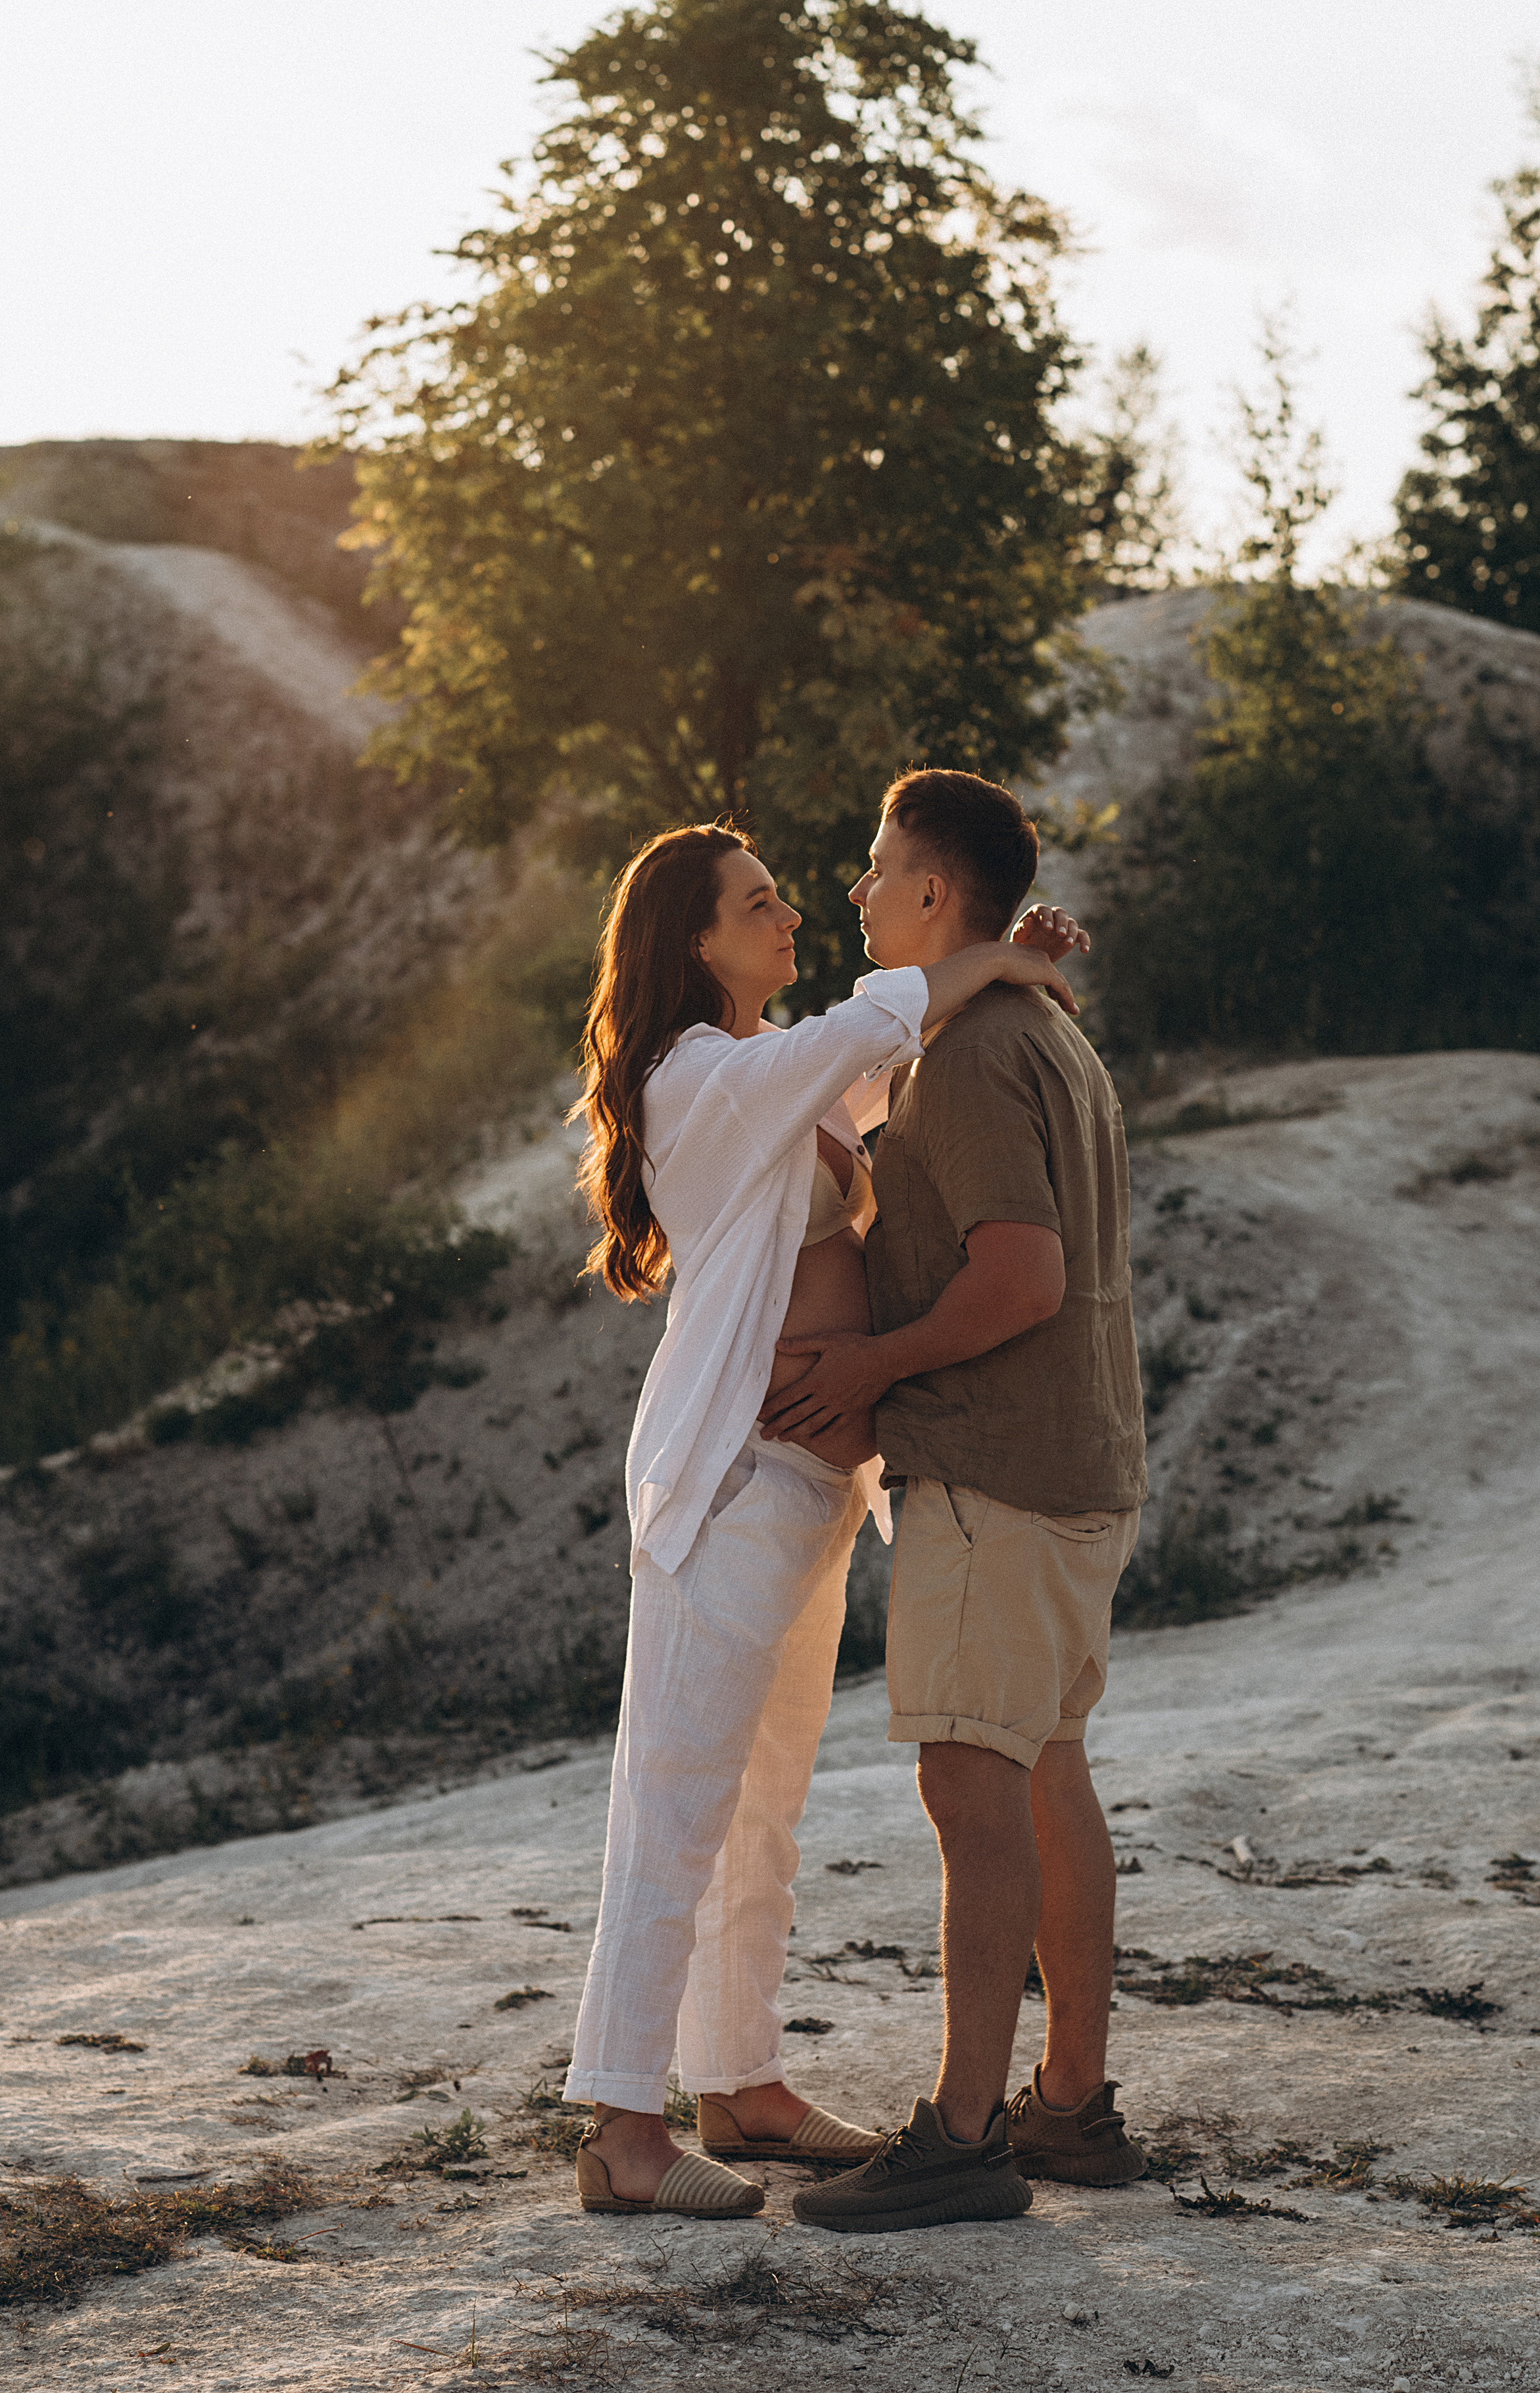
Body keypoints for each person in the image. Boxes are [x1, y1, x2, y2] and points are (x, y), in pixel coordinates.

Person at [562, 819, 1082, 2219]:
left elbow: (882, 1069)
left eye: (788, 895)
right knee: (670, 1806)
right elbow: (882, 1018)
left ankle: (739, 2083)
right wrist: (981, 961)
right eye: (758, 902)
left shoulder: (774, 1071)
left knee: (760, 1811)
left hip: (809, 1492)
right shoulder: (698, 1074)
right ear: (690, 939)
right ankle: (621, 2128)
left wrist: (1000, 964)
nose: (790, 912)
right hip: (730, 1478)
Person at [760, 768, 1148, 2234]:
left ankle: (963, 2135)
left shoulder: (977, 1050)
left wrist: (871, 1359)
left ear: (934, 893)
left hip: (996, 1465)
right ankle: (1070, 2107)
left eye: (872, 869)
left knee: (968, 1790)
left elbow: (1019, 1277)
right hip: (1075, 1462)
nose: (854, 892)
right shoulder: (1037, 1024)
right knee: (1046, 1772)